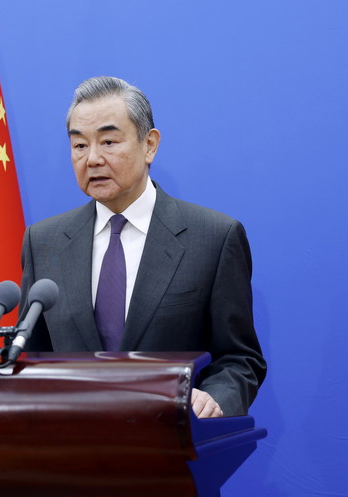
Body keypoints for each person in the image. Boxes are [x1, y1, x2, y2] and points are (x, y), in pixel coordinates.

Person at [19, 76, 266, 418]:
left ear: (149, 145)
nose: (92, 159)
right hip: (69, 449)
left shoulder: (213, 238)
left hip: (171, 445)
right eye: (79, 146)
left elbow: (239, 359)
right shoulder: (43, 241)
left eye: (108, 141)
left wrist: (215, 399)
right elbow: (29, 358)